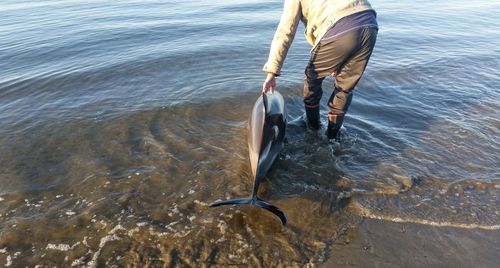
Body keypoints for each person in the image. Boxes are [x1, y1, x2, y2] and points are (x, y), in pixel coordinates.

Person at [262, 0, 378, 140]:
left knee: (312, 79)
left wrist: (272, 72)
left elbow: (285, 33)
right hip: (369, 24)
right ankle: (332, 137)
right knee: (344, 88)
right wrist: (339, 58)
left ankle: (313, 128)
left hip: (339, 26)